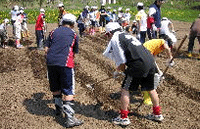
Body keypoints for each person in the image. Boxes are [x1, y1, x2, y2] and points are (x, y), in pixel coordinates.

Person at [103, 22, 164, 126]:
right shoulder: (126, 35)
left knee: (125, 89)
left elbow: (121, 62)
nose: (107, 37)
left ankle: (123, 117)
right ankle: (157, 114)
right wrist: (120, 70)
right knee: (151, 88)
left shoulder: (115, 39)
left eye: (106, 35)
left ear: (109, 33)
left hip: (138, 64)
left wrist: (118, 72)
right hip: (150, 62)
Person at [45, 13, 83, 128]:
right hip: (65, 64)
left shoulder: (53, 32)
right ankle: (70, 119)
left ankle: (58, 110)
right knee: (68, 90)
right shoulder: (73, 34)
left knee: (55, 86)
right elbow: (74, 52)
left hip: (50, 62)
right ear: (72, 24)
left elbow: (46, 49)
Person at [142, 38, 174, 105]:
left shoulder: (157, 46)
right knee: (148, 75)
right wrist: (170, 58)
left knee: (151, 73)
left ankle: (149, 91)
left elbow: (154, 60)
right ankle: (146, 97)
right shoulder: (162, 42)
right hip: (144, 54)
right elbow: (167, 49)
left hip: (144, 54)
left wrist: (159, 71)